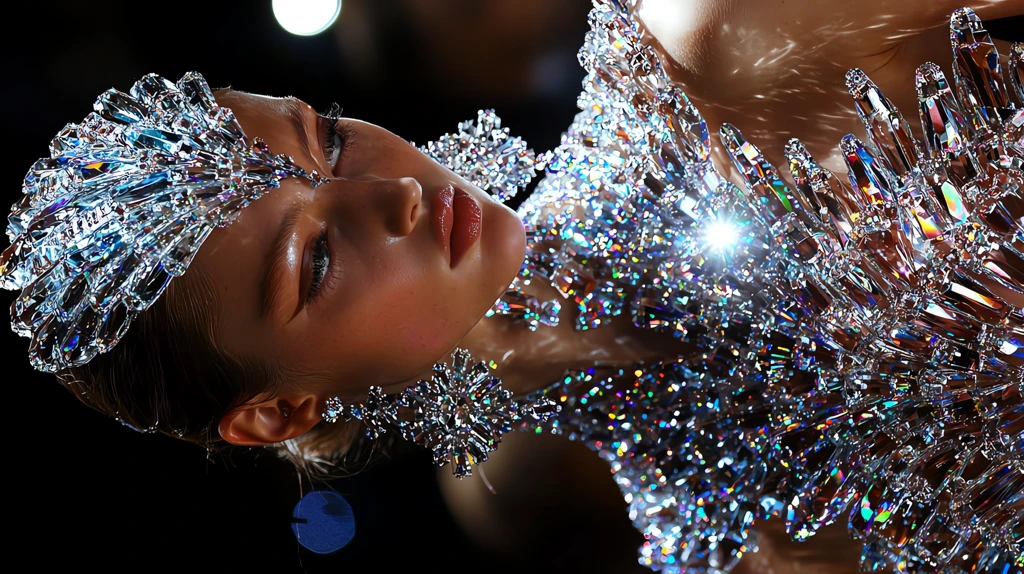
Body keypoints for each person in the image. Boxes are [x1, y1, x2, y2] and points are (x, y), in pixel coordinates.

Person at [2, 1, 1020, 573]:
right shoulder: (743, 530)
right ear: (281, 411)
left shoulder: (706, 38)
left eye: (330, 138)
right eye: (313, 260)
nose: (393, 194)